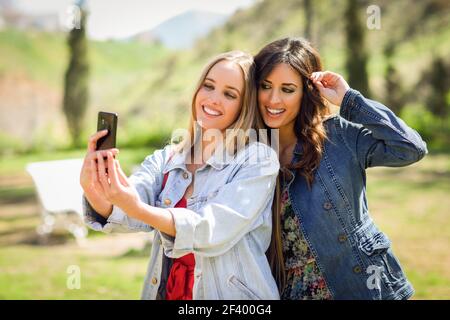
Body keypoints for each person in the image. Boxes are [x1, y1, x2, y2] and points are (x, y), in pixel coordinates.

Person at [80, 51, 280, 300]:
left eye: (230, 94)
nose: (214, 99)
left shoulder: (257, 159)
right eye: (208, 86)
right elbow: (126, 210)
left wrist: (136, 207)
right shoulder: (168, 157)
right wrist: (95, 188)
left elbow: (211, 229)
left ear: (245, 105)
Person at [255, 37, 427, 300]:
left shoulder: (337, 136)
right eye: (265, 86)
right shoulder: (249, 154)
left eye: (288, 89)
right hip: (293, 292)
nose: (273, 99)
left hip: (363, 285)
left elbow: (409, 148)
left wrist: (349, 100)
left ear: (306, 91)